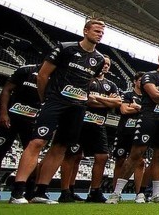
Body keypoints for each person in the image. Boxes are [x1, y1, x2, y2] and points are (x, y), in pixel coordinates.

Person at [9, 19, 106, 204]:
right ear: (85, 31)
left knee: (60, 147)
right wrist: (46, 98)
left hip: (77, 107)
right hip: (55, 101)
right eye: (96, 31)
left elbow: (87, 82)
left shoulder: (99, 59)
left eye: (102, 33)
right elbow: (43, 75)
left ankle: (40, 192)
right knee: (37, 141)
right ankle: (17, 191)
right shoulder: (65, 48)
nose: (99, 34)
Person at [106, 50, 159, 204]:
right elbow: (154, 95)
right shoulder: (150, 76)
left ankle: (156, 194)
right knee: (136, 155)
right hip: (149, 119)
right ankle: (116, 194)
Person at [60, 55, 121, 203]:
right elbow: (85, 100)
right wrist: (107, 101)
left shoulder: (111, 85)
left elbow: (117, 103)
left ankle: (94, 191)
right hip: (80, 122)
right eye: (103, 63)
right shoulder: (86, 79)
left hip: (99, 124)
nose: (106, 66)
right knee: (73, 155)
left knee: (102, 156)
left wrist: (98, 99)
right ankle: (66, 190)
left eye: (108, 64)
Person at [0, 63, 42, 201]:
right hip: (11, 118)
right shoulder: (26, 70)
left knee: (33, 154)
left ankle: (28, 192)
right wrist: (3, 113)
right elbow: (6, 89)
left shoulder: (56, 75)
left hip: (33, 120)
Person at [110, 71, 146, 202]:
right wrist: (134, 107)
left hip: (140, 133)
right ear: (135, 81)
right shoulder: (127, 94)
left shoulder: (148, 98)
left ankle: (139, 194)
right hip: (124, 132)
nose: (143, 83)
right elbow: (124, 110)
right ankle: (116, 193)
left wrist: (136, 107)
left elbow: (148, 112)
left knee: (140, 162)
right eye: (140, 80)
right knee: (120, 161)